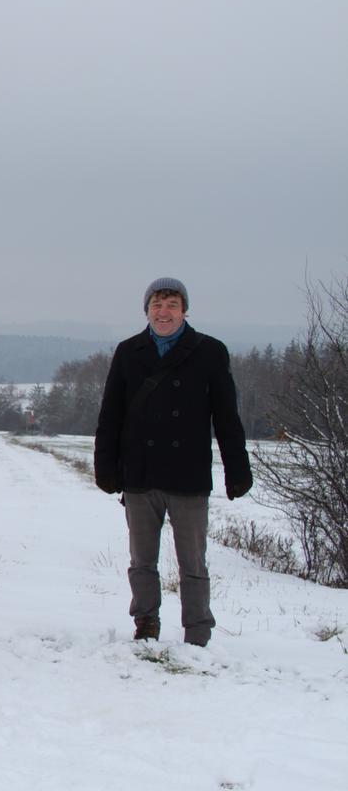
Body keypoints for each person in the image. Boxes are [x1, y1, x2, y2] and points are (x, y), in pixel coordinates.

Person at [94, 277, 252, 647]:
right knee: (142, 559)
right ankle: (146, 621)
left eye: (171, 306)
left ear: (184, 311)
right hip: (141, 473)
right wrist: (106, 466)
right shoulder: (129, 351)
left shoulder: (210, 352)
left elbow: (226, 417)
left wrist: (237, 469)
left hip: (188, 474)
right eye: (157, 305)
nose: (163, 313)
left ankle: (197, 630)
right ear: (146, 309)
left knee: (193, 563)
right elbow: (111, 415)